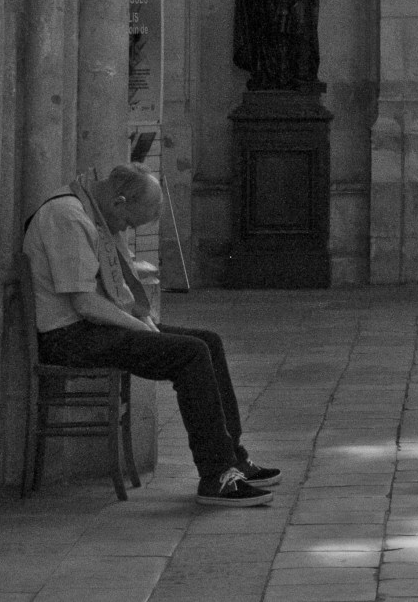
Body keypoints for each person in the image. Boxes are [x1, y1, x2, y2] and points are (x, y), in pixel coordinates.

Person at [22, 163, 279, 506]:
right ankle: (216, 477)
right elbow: (83, 302)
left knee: (208, 341)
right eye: (129, 222)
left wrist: (142, 318)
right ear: (119, 202)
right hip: (68, 337)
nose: (125, 230)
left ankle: (233, 459)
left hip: (92, 328)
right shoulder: (67, 216)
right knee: (189, 353)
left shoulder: (90, 210)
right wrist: (142, 327)